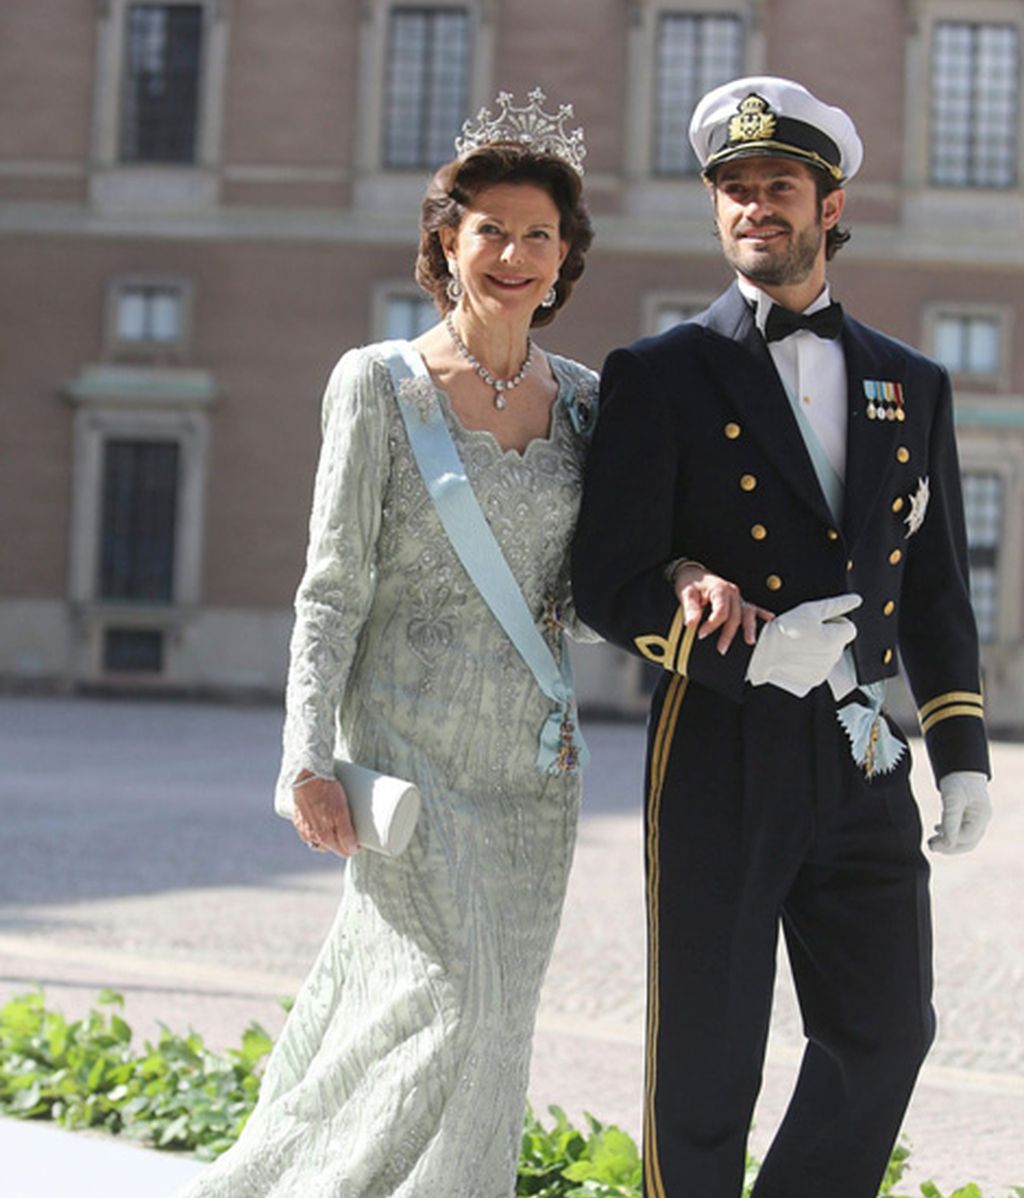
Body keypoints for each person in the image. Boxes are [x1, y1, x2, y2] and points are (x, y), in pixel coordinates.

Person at [571, 76, 992, 1198]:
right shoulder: (659, 374)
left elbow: (936, 586)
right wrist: (746, 653)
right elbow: (607, 580)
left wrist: (959, 752)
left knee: (887, 1030)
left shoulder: (911, 382)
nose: (754, 206)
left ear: (829, 205)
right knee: (708, 1051)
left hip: (862, 745)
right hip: (718, 740)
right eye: (735, 190)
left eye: (778, 187)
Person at [177, 89, 596, 1198]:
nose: (514, 255)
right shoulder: (378, 383)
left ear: (565, 255)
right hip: (408, 758)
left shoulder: (588, 405)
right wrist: (305, 757)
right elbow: (330, 590)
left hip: (533, 771)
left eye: (538, 234)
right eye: (491, 230)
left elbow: (616, 571)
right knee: (443, 1000)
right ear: (447, 243)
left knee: (494, 1031)